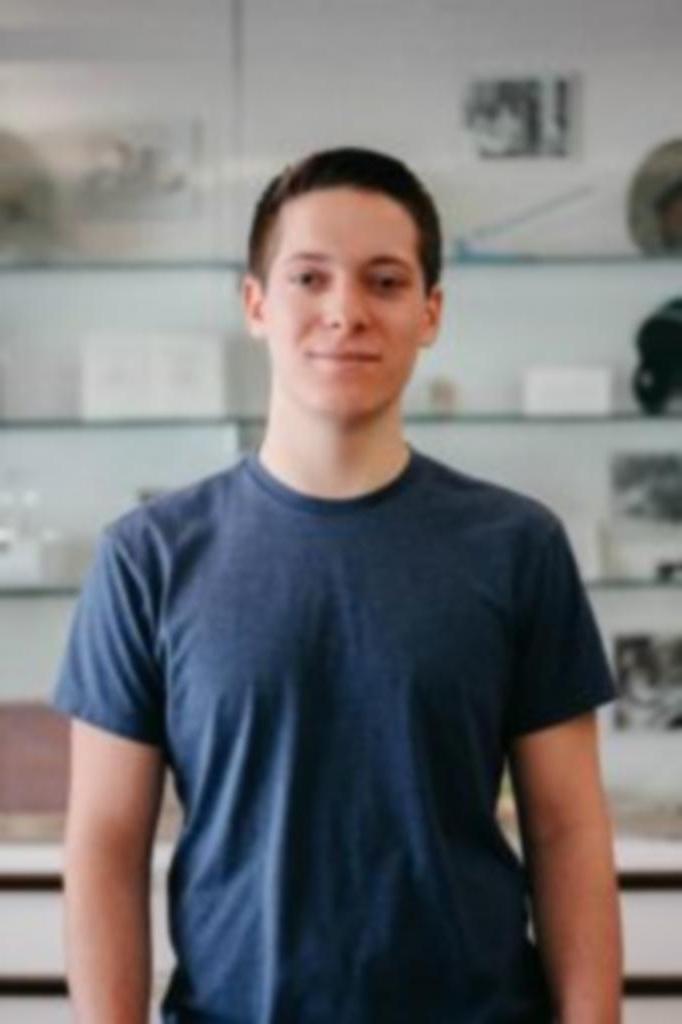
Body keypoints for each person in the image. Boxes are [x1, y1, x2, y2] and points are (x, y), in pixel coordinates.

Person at [53, 146, 622, 1023]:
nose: (345, 311)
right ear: (256, 304)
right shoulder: (148, 559)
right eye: (309, 278)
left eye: (385, 282)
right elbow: (103, 845)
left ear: (430, 313)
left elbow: (567, 830)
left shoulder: (518, 547)